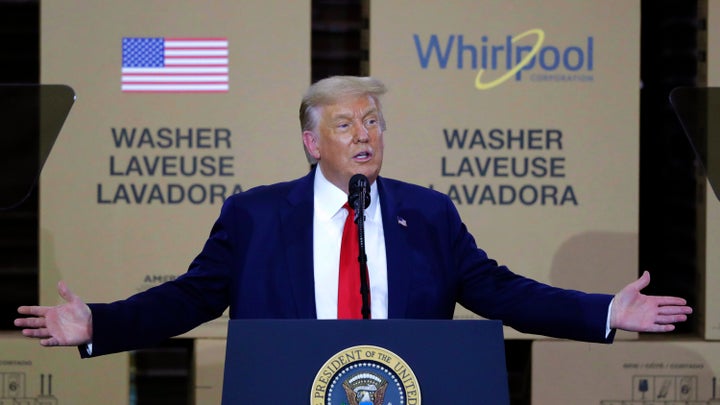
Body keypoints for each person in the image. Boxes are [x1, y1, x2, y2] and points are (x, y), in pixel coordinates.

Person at [15, 76, 692, 357]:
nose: (364, 134)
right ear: (312, 142)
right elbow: (190, 297)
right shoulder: (253, 217)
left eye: (372, 121)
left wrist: (605, 311)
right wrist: (100, 321)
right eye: (345, 124)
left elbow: (501, 290)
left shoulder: (426, 214)